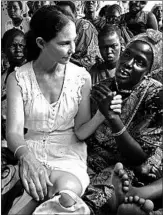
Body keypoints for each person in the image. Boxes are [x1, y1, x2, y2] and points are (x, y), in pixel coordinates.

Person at [6, 5, 122, 215]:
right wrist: (27, 158)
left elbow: (80, 131)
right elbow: (14, 133)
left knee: (67, 194)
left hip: (68, 155)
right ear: (41, 43)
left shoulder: (81, 78)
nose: (73, 49)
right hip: (27, 151)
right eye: (64, 43)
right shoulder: (18, 79)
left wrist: (101, 114)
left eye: (74, 40)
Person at [82, 29, 163, 215]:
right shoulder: (103, 88)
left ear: (149, 73)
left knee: (104, 190)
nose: (127, 64)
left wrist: (113, 119)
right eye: (127, 55)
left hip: (134, 165)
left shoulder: (156, 97)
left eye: (140, 62)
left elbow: (139, 158)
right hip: (97, 160)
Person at [57, 1, 101, 72]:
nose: (62, 17)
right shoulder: (55, 31)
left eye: (66, 13)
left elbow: (92, 59)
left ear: (75, 14)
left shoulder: (84, 27)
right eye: (58, 14)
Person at [1, 28, 26, 142]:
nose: (18, 50)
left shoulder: (33, 73)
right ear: (4, 49)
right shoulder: (3, 76)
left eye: (21, 46)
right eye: (13, 46)